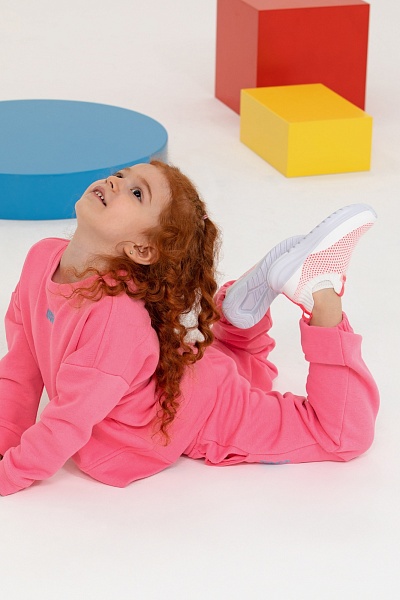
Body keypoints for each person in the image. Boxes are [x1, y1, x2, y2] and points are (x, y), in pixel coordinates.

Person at [0, 161, 379, 496]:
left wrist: (8, 475)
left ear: (142, 249)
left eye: (136, 193)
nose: (115, 182)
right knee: (249, 374)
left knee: (341, 435)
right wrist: (5, 435)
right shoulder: (42, 258)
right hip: (172, 370)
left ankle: (318, 291)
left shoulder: (112, 321)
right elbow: (22, 363)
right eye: (121, 176)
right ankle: (237, 323)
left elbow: (67, 422)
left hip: (194, 411)